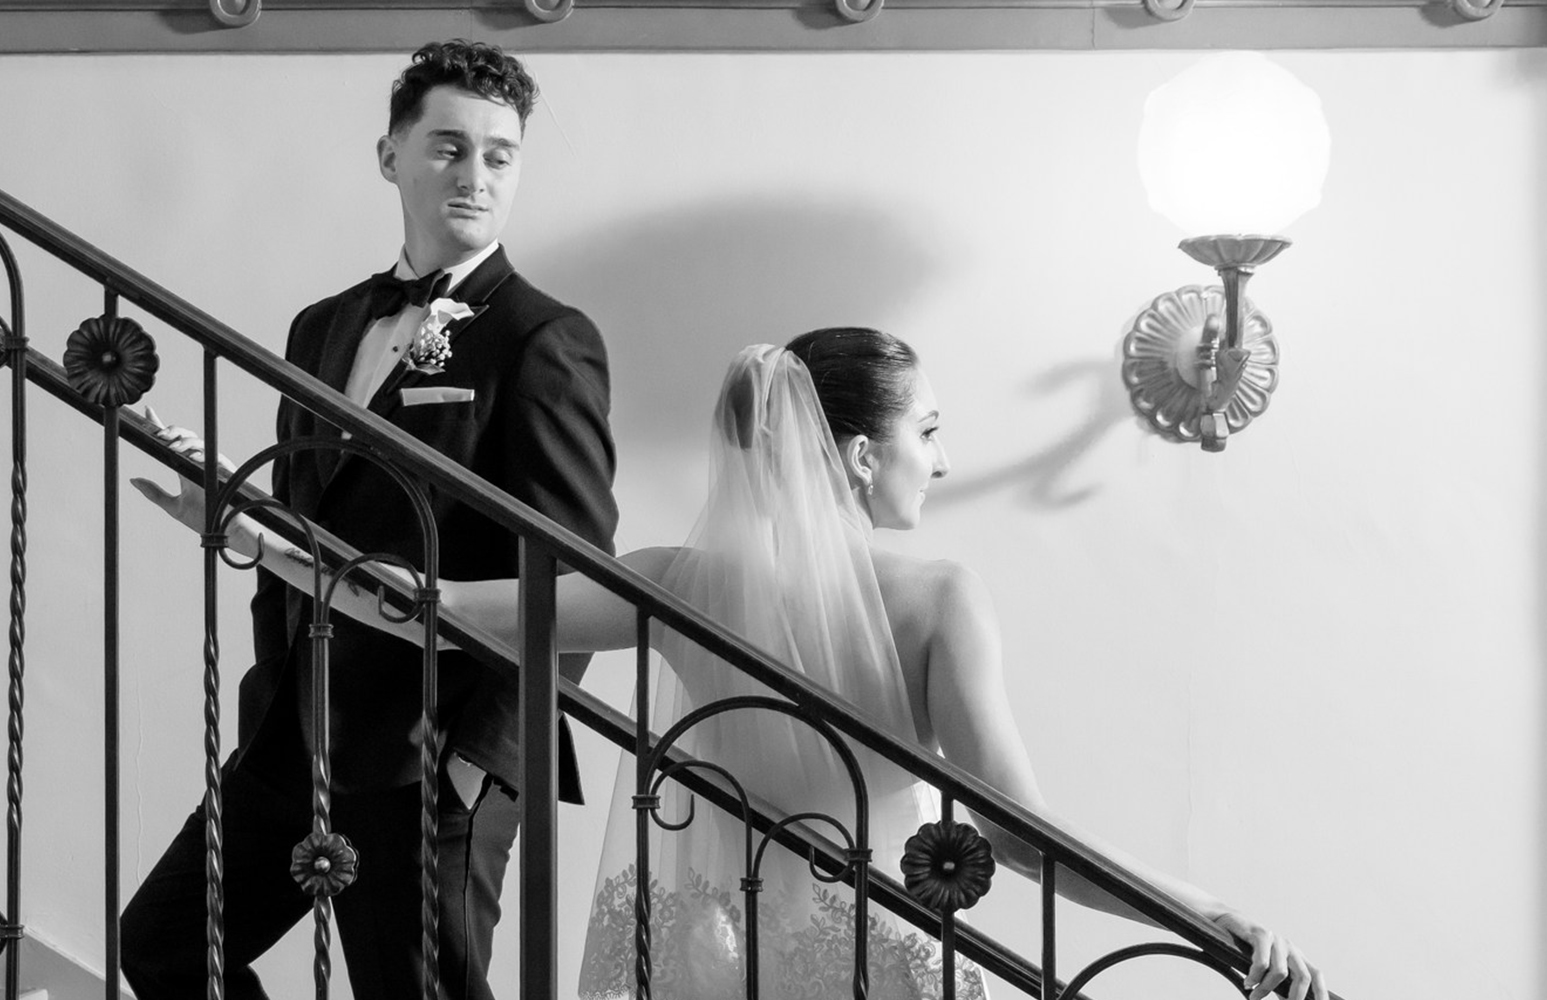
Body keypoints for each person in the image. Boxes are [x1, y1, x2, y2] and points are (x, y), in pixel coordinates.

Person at [135, 330, 1326, 1000]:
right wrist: (1199, 911)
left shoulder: (679, 579)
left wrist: (251, 531)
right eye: (928, 432)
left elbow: (435, 612)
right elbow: (1019, 831)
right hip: (868, 960)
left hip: (700, 956)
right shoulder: (941, 597)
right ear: (857, 456)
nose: (943, 461)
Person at [116, 38, 617, 1000]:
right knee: (167, 946)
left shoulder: (544, 340)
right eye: (447, 146)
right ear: (389, 155)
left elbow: (574, 577)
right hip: (294, 730)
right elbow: (312, 520)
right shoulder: (322, 325)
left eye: (499, 154)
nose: (475, 175)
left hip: (435, 751)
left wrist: (483, 763)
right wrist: (232, 519)